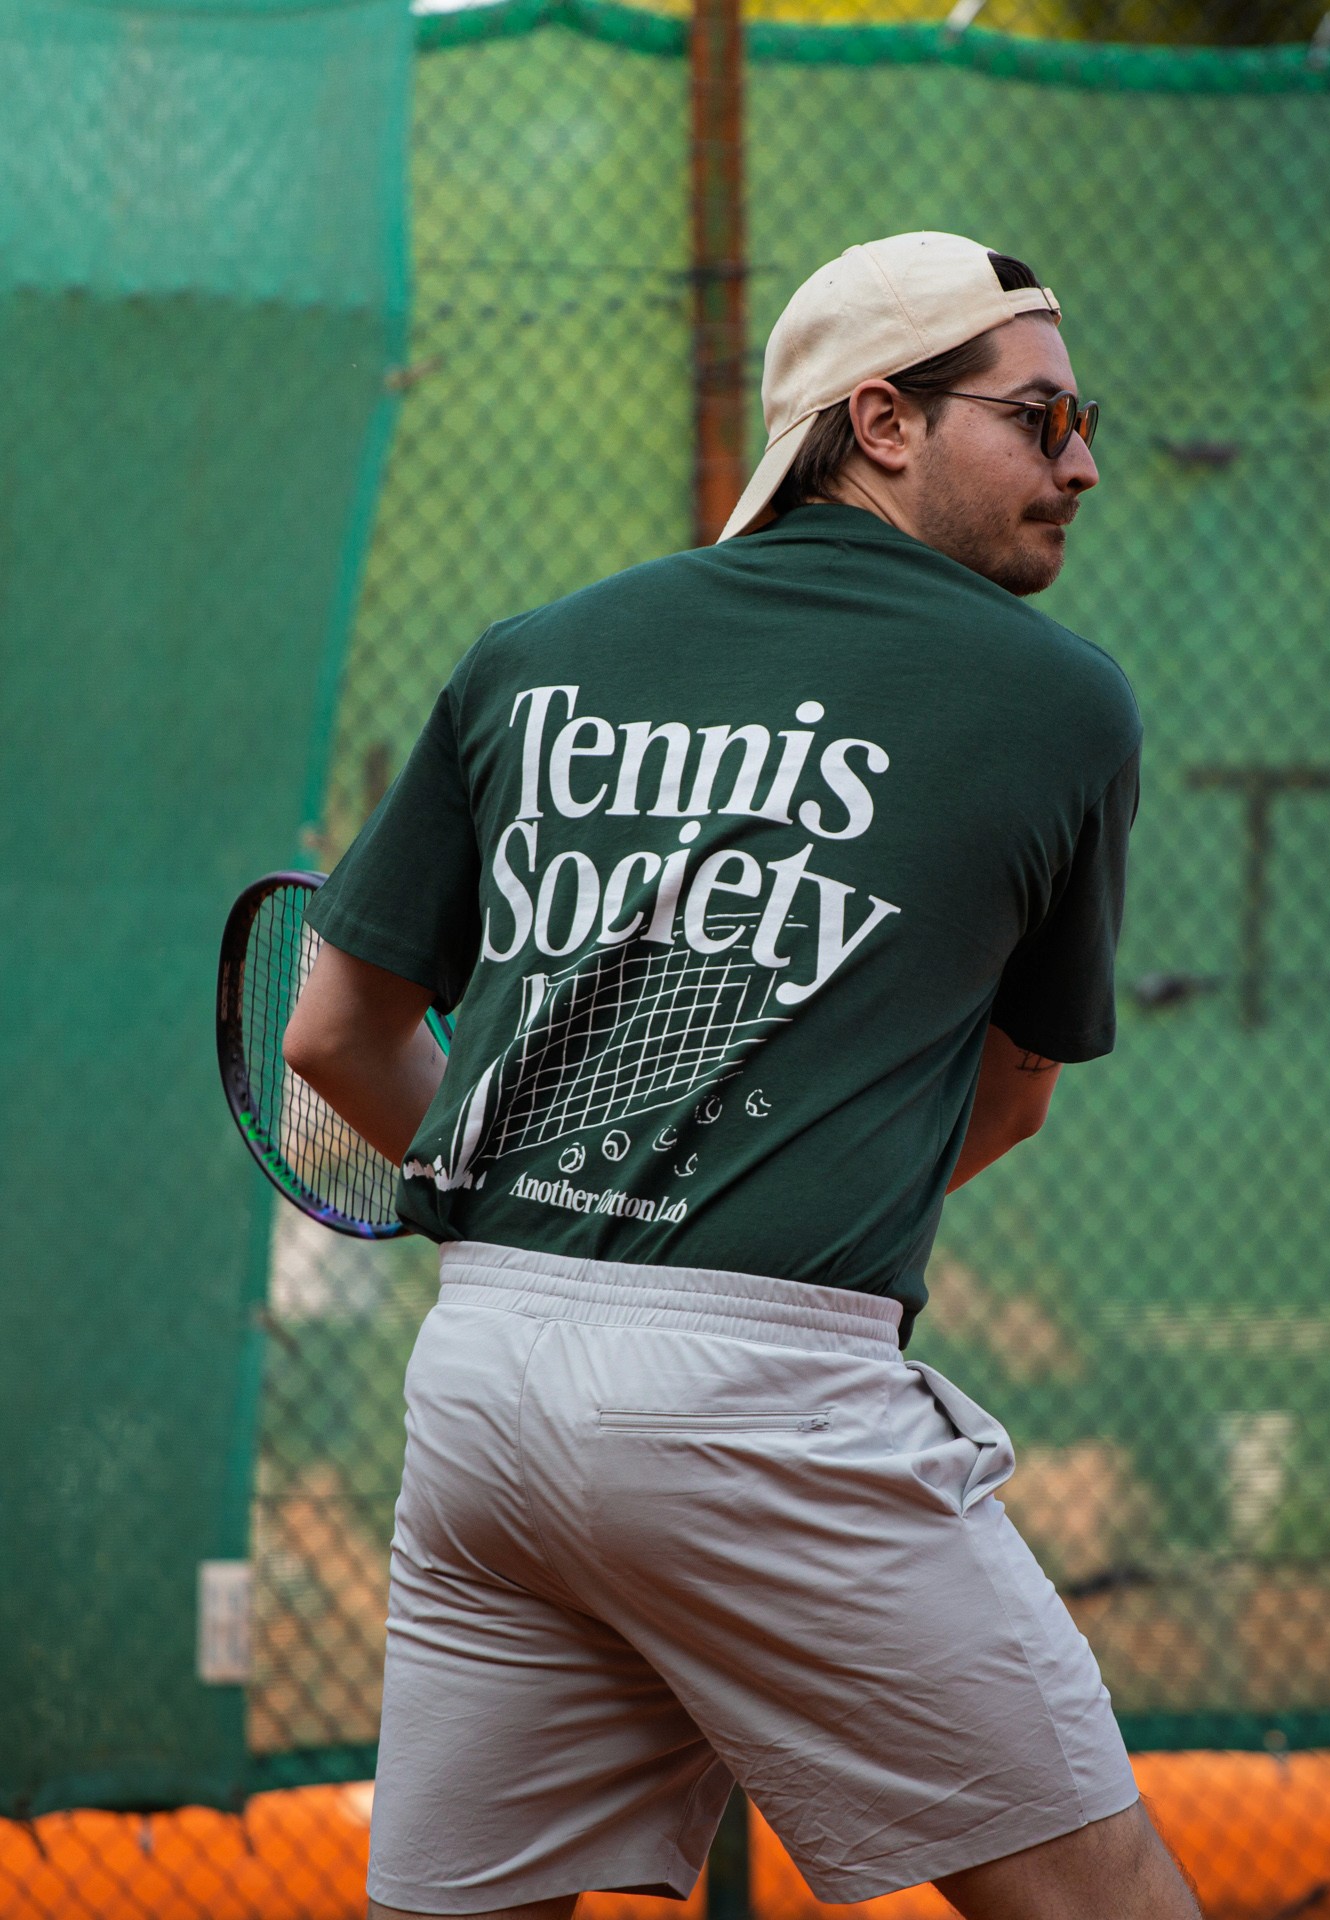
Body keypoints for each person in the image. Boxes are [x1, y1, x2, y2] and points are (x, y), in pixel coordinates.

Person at [285, 230, 1200, 1920]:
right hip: (764, 1403)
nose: (1082, 464)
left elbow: (330, 1035)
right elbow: (1010, 1101)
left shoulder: (529, 652)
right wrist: (713, 1218)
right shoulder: (1064, 701)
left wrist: (556, 1205)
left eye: (1084, 423)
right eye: (1042, 418)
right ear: (883, 421)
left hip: (482, 1382)